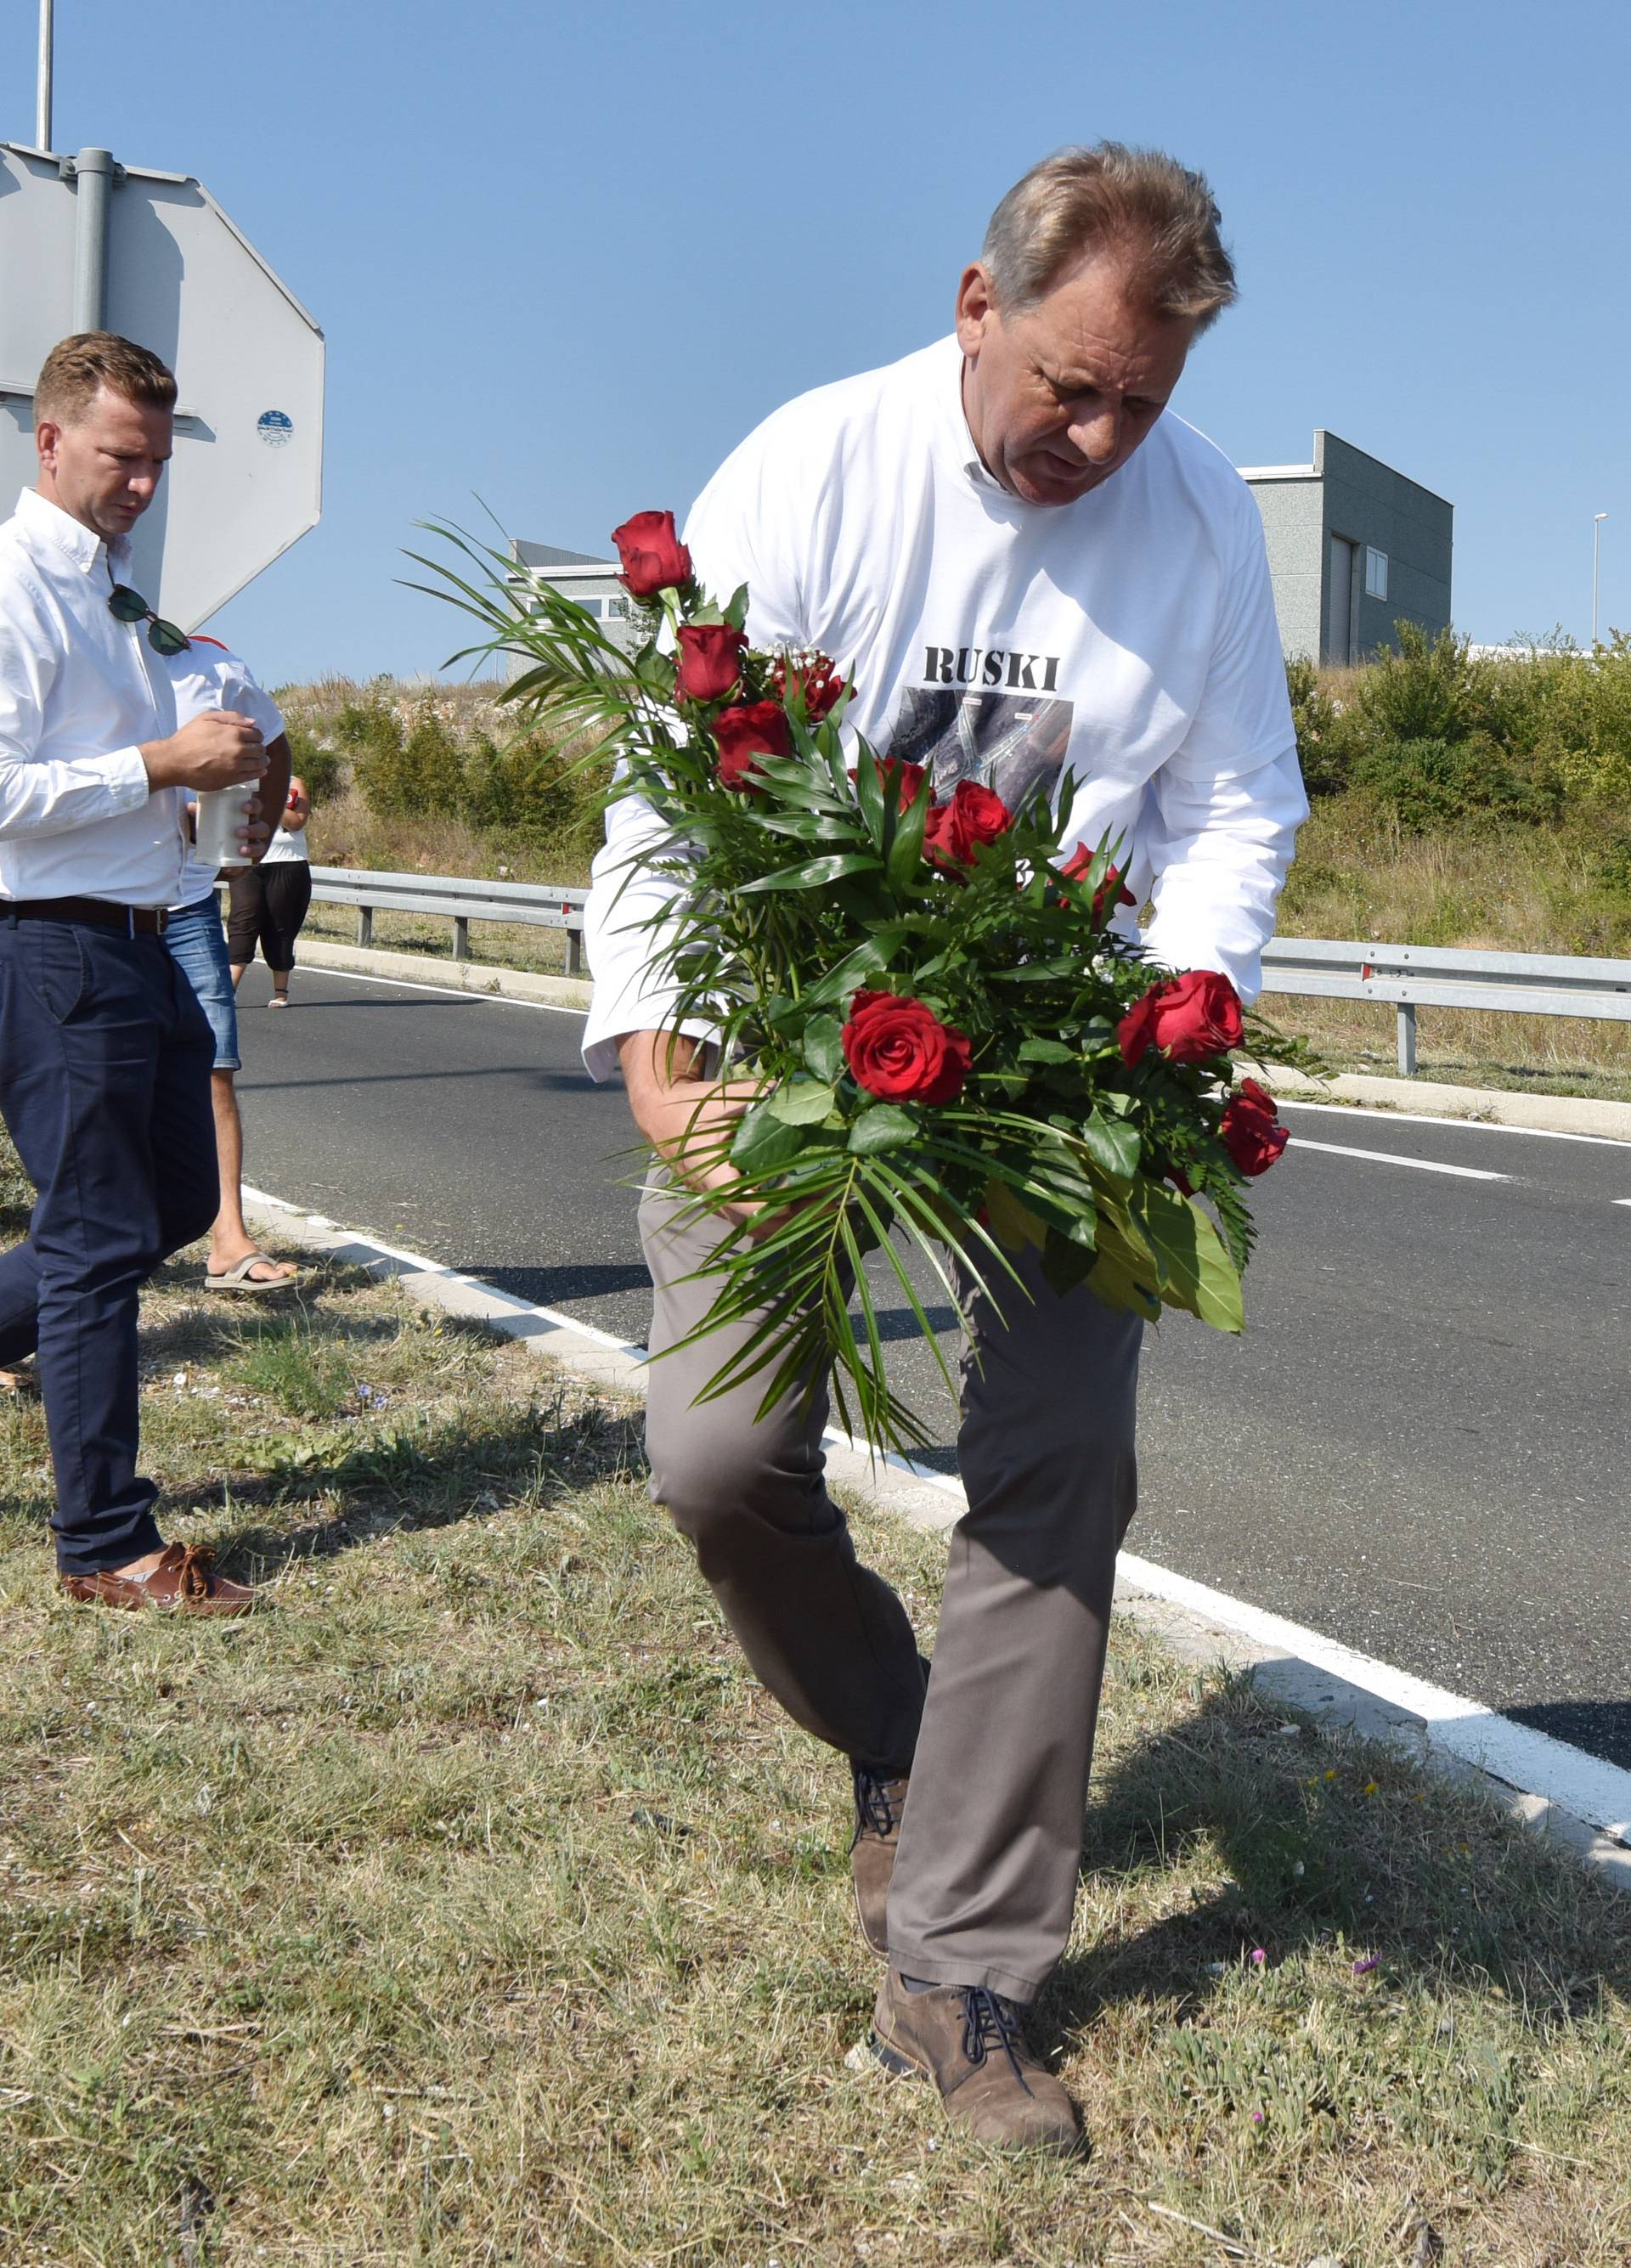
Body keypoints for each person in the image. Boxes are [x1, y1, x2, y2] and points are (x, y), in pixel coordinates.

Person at [582, 145, 1308, 2151]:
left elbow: (1239, 800)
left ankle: (961, 1969)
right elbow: (671, 789)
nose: (1098, 436)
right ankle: (901, 1730)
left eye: (1139, 404)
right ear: (975, 305)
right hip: (786, 1020)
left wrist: (1183, 1007)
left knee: (1060, 1454)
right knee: (716, 1455)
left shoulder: (1200, 523)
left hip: (1061, 1045)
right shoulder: (813, 469)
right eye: (1069, 384)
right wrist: (657, 1057)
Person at [0, 331, 269, 1615]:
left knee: (165, 1197)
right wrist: (161, 768)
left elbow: (160, 733)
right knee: (101, 1241)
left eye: (159, 462)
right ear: (50, 441)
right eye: (123, 457)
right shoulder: (12, 584)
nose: (144, 485)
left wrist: (233, 784)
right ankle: (105, 1543)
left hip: (136, 930)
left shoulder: (109, 590)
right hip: (50, 943)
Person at [163, 635, 298, 1292]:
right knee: (74, 1084)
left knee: (215, 1069)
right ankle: (52, 1263)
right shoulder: (66, 636)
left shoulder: (209, 662)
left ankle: (227, 1238)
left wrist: (258, 835)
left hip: (184, 906)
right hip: (81, 907)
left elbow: (273, 745)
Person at [226, 757, 313, 1007]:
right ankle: (227, 991)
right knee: (243, 921)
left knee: (280, 925)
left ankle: (280, 992)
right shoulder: (237, 783)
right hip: (248, 863)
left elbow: (296, 822)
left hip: (288, 862)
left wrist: (268, 801)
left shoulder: (293, 783)